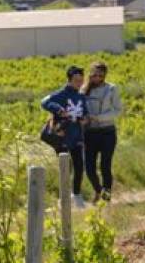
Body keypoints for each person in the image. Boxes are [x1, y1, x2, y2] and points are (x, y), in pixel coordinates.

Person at [42, 66, 95, 208]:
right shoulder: (61, 94)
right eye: (76, 80)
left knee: (79, 166)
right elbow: (44, 102)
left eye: (81, 81)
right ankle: (63, 198)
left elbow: (85, 113)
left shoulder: (81, 96)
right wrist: (59, 110)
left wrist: (85, 119)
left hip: (77, 135)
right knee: (66, 167)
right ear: (69, 80)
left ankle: (77, 196)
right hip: (62, 136)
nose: (79, 83)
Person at [80, 61, 122, 202]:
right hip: (89, 133)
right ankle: (98, 190)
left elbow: (117, 110)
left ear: (105, 75)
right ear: (90, 74)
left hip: (107, 132)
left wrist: (98, 118)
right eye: (95, 75)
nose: (97, 78)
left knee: (105, 165)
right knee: (89, 167)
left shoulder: (111, 89)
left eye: (101, 75)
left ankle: (106, 197)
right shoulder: (83, 90)